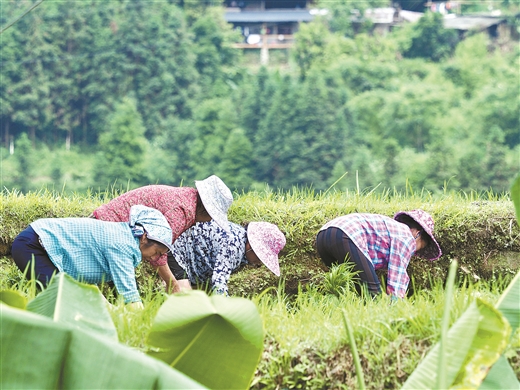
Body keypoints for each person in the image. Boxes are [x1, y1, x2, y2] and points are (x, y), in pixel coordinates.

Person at [11, 205, 174, 308]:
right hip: (34, 245)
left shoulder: (125, 237)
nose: (154, 258)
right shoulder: (123, 245)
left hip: (38, 245)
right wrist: (143, 324)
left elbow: (88, 286)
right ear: (145, 237)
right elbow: (130, 296)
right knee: (62, 302)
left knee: (69, 303)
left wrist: (111, 310)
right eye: (157, 252)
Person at [91, 175, 233, 293]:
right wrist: (173, 284)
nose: (209, 221)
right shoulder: (181, 212)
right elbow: (157, 254)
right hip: (108, 230)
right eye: (212, 216)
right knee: (129, 293)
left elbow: (165, 248)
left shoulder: (188, 198)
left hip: (117, 228)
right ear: (206, 211)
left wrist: (179, 280)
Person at [316, 209, 441, 300]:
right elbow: (397, 277)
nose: (413, 252)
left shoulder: (394, 231)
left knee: (352, 289)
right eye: (418, 247)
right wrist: (396, 306)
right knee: (374, 294)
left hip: (323, 236)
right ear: (417, 234)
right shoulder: (406, 236)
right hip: (346, 234)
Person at [168, 220, 286, 295]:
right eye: (260, 257)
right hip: (177, 250)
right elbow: (219, 282)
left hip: (191, 262)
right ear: (252, 246)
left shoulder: (240, 240)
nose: (259, 263)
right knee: (184, 296)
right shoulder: (233, 246)